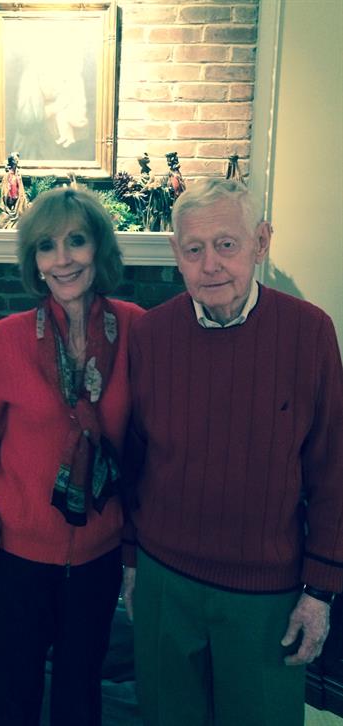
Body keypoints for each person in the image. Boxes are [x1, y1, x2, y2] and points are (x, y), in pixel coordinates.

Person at [122, 178, 343, 726]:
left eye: (226, 244)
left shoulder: (310, 333)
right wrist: (131, 562)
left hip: (265, 593)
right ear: (176, 254)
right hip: (164, 578)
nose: (210, 265)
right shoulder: (151, 335)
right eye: (194, 249)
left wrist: (320, 592)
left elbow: (333, 471)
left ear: (260, 243)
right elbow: (135, 459)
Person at [0, 187, 143, 726]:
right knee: (15, 693)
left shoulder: (138, 329)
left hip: (99, 551)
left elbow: (144, 445)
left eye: (76, 240)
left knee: (80, 691)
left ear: (99, 249)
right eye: (46, 246)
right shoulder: (3, 340)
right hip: (17, 552)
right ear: (34, 262)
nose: (63, 258)